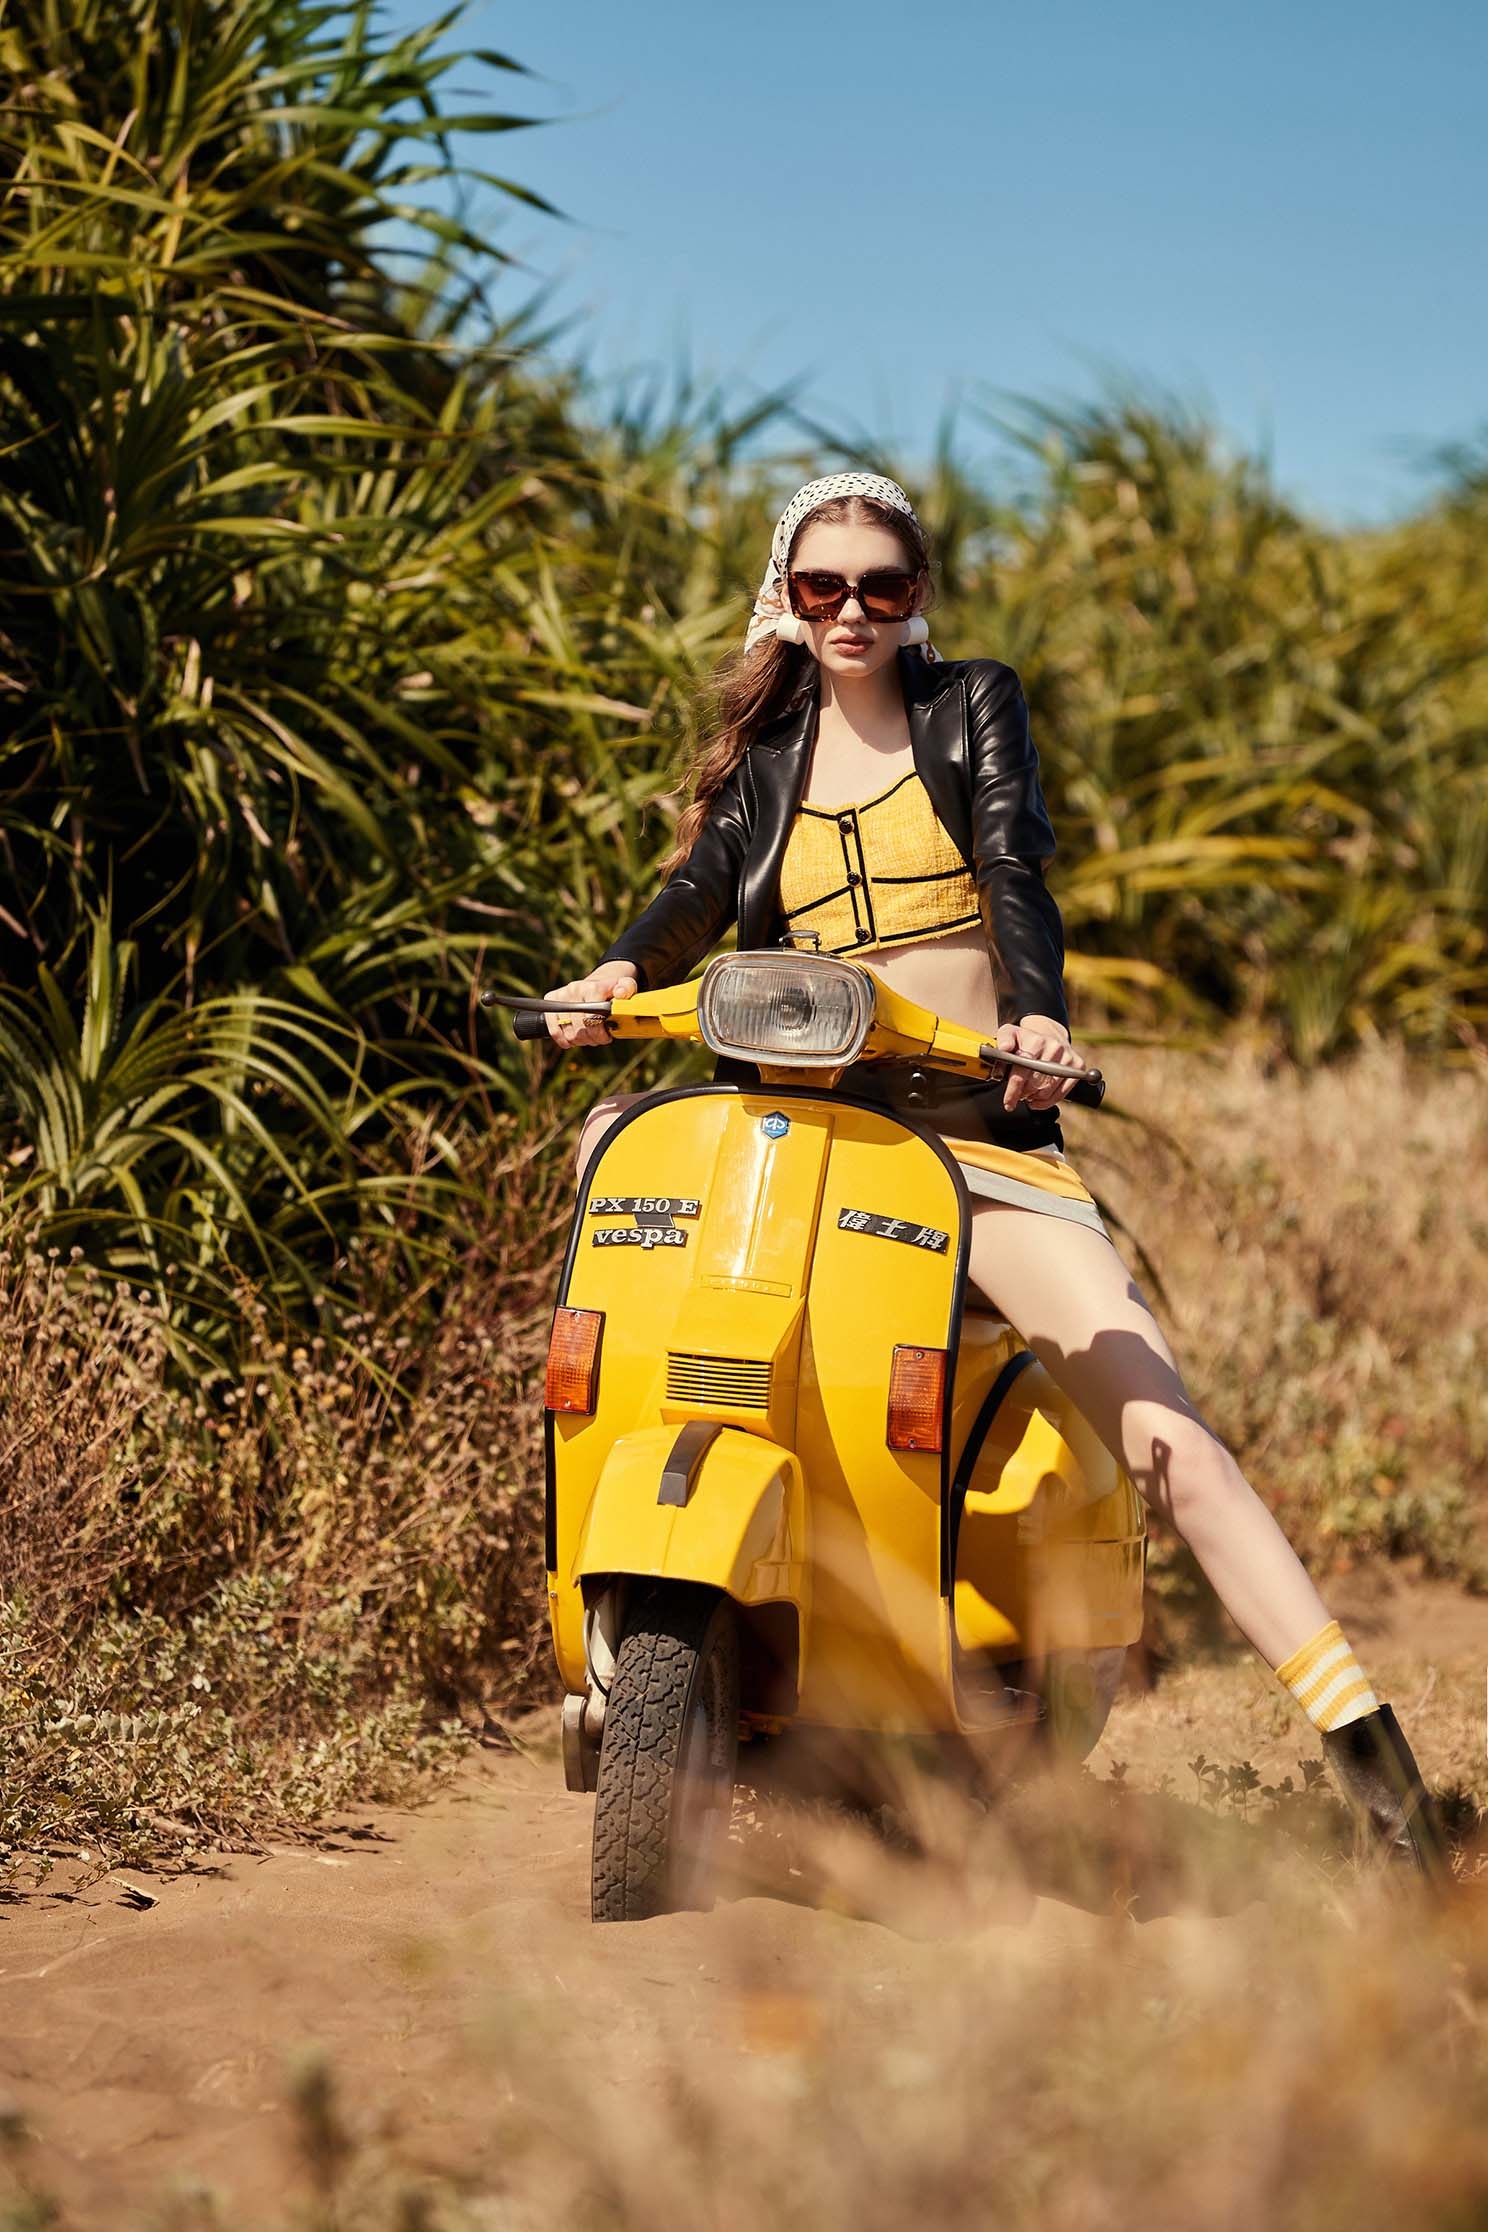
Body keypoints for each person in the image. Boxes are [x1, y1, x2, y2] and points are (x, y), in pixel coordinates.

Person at [541, 471, 1448, 1885]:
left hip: (975, 1135)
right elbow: (695, 891)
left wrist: (1038, 1019)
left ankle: (1388, 1797)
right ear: (785, 589)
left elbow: (1017, 865)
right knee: (622, 1191)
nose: (850, 613)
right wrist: (618, 972)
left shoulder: (972, 706)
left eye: (881, 589)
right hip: (810, 1134)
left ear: (919, 601)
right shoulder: (770, 750)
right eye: (823, 587)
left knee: (1172, 1444)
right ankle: (636, 1644)